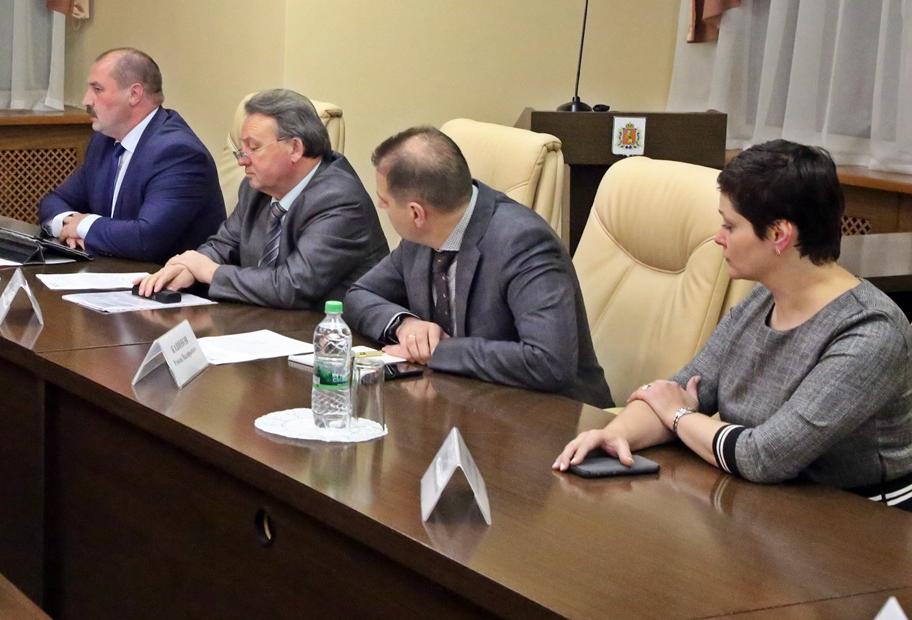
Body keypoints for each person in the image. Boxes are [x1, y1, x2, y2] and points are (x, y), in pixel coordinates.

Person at [554, 140, 912, 509]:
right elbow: (682, 389)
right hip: (763, 503)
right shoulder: (762, 299)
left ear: (779, 235)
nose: (718, 237)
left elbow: (765, 456)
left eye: (730, 225)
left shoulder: (871, 332)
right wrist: (616, 434)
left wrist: (678, 416)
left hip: (858, 519)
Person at [343, 126, 612, 406]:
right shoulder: (421, 238)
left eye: (385, 201)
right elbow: (359, 295)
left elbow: (549, 362)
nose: (380, 205)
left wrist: (439, 351)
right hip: (463, 400)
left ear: (416, 213)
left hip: (555, 416)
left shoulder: (523, 241)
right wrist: (405, 325)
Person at [136, 89, 388, 309]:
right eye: (241, 148)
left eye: (254, 148)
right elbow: (223, 245)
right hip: (263, 323)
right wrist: (187, 267)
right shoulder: (256, 188)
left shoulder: (340, 200)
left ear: (295, 148)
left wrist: (210, 272)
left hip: (326, 337)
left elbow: (293, 286)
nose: (242, 160)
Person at [38, 48, 224, 264]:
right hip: (111, 272)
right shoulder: (104, 141)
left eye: (97, 89)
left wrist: (85, 226)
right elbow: (54, 200)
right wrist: (69, 223)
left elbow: (146, 239)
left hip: (169, 281)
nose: (86, 100)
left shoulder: (179, 154)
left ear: (134, 94)